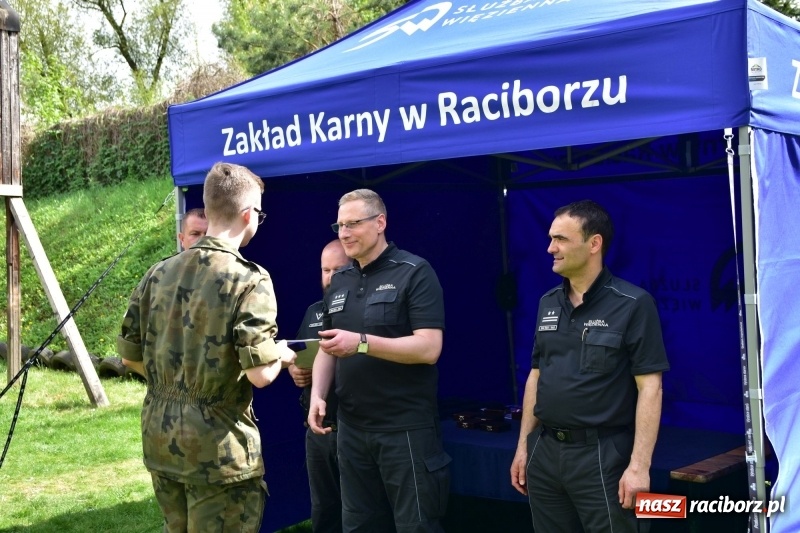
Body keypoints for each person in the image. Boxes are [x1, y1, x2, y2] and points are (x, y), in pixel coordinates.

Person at [117, 161, 296, 533]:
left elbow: (129, 356)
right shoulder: (249, 279)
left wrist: (177, 386)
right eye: (259, 214)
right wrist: (282, 352)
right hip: (218, 452)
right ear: (248, 215)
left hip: (162, 439)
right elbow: (261, 375)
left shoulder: (158, 272)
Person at [510, 199, 670, 533]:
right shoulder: (546, 302)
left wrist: (640, 467)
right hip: (546, 452)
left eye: (561, 239)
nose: (550, 247)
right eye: (551, 238)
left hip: (602, 455)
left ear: (594, 243)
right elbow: (536, 375)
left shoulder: (633, 304)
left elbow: (650, 387)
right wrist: (524, 447)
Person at [308, 189, 450, 533]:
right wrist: (318, 394)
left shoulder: (414, 272)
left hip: (405, 430)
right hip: (352, 430)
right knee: (358, 525)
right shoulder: (340, 280)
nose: (343, 233)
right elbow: (326, 346)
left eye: (353, 224)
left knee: (416, 525)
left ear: (380, 223)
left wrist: (361, 344)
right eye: (339, 225)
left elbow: (429, 348)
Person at [287, 239, 350, 533]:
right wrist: (294, 370)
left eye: (339, 269)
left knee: (359, 508)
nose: (331, 276)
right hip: (318, 428)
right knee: (324, 509)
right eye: (326, 270)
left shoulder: (365, 310)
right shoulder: (313, 311)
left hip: (355, 428)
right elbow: (300, 352)